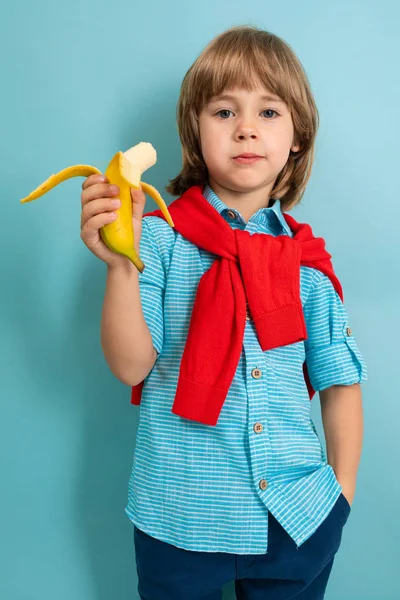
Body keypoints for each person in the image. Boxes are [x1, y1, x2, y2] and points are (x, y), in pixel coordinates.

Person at [80, 24, 368, 600]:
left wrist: (341, 497)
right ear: (195, 131)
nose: (245, 128)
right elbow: (132, 366)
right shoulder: (156, 240)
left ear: (296, 139)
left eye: (268, 112)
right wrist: (120, 266)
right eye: (223, 111)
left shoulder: (307, 262)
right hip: (177, 517)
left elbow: (341, 385)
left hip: (297, 520)